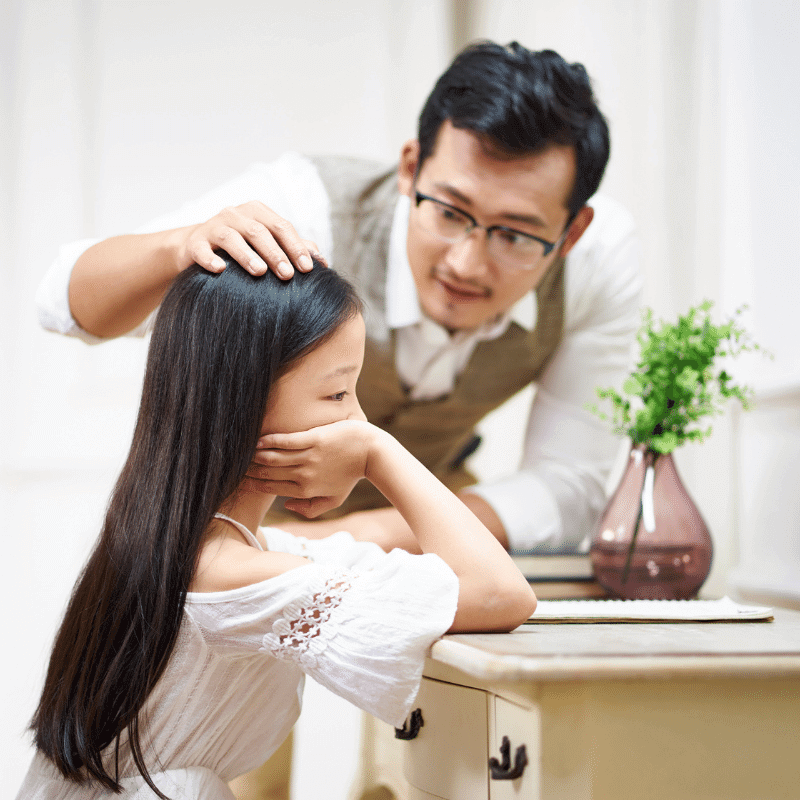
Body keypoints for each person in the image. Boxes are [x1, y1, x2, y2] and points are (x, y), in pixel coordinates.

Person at [37, 40, 641, 559]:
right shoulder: (304, 209)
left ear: (573, 231)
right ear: (410, 169)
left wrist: (360, 540)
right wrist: (177, 246)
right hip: (244, 538)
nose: (466, 262)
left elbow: (569, 485)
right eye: (450, 212)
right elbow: (64, 302)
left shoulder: (596, 270)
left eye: (513, 234)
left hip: (424, 533)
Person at [18, 259, 536, 799]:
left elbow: (436, 567)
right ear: (244, 399)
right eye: (338, 394)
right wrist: (378, 452)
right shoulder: (229, 575)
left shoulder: (205, 549)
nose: (355, 422)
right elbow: (501, 594)